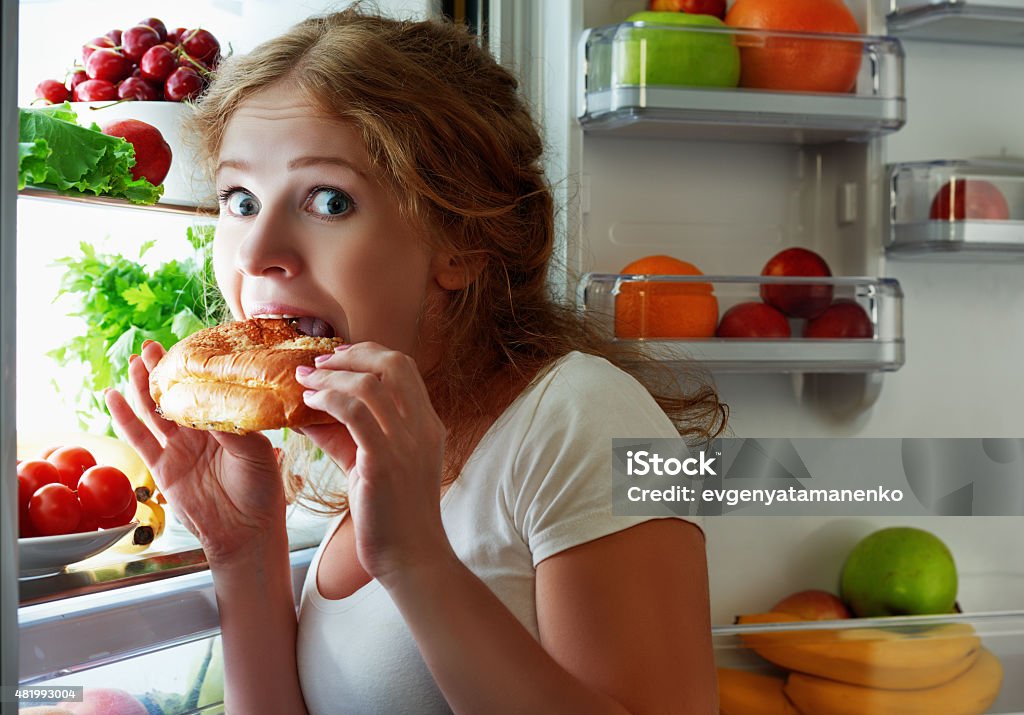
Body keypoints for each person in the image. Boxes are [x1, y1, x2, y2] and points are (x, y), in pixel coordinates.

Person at [106, 7, 727, 714]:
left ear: (459, 239)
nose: (255, 250)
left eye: (329, 200)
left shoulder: (587, 416)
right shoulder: (335, 446)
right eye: (240, 199)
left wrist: (416, 560)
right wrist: (243, 547)